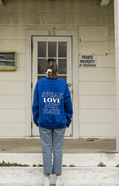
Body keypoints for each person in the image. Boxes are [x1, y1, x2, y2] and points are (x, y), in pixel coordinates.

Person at [32, 58, 73, 186]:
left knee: (46, 149)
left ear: (46, 68)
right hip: (60, 122)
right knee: (58, 150)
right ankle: (59, 178)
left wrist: (37, 119)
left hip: (44, 122)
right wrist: (67, 120)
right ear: (57, 69)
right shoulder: (62, 83)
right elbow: (68, 104)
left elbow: (36, 104)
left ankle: (46, 178)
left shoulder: (40, 84)